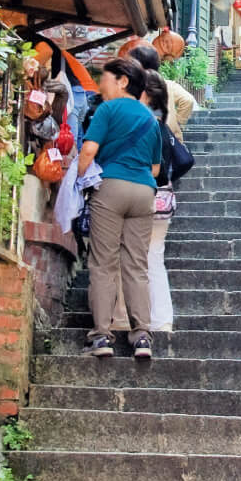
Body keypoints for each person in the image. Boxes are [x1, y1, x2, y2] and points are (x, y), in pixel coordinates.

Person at [78, 56, 161, 358]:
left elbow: (88, 149)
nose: (101, 85)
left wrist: (77, 179)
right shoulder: (151, 118)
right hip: (143, 192)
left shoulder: (108, 109)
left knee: (103, 263)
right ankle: (141, 337)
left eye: (105, 78)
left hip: (111, 187)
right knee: (137, 265)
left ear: (123, 81)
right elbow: (155, 168)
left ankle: (101, 336)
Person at [139, 68, 177, 333]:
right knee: (154, 259)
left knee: (132, 260)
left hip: (145, 196)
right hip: (162, 198)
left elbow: (156, 167)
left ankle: (127, 318)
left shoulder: (144, 125)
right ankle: (161, 320)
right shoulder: (162, 123)